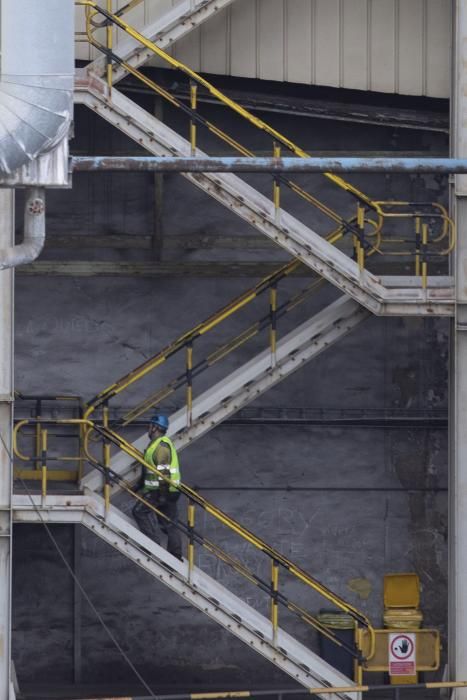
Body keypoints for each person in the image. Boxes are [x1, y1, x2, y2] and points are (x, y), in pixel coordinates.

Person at [132, 413, 182, 560]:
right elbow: (148, 469)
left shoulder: (161, 447)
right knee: (169, 523)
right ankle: (175, 556)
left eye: (150, 426)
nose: (148, 428)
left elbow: (164, 472)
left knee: (139, 512)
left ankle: (153, 545)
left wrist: (162, 495)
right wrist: (139, 486)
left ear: (155, 428)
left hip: (163, 490)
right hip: (165, 490)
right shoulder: (153, 445)